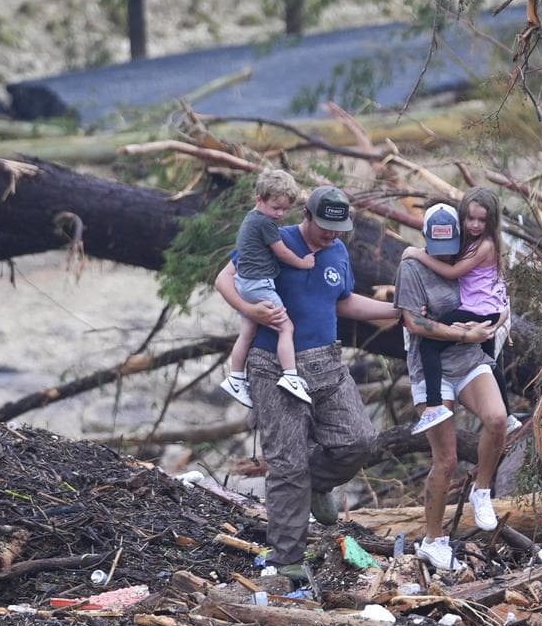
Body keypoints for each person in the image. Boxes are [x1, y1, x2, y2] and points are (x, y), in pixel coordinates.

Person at [214, 185, 398, 575]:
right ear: (307, 216)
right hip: (272, 364)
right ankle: (287, 561)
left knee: (360, 440)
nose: (332, 234)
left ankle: (315, 483)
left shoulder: (338, 251)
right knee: (286, 465)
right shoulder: (272, 237)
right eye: (325, 226)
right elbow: (224, 280)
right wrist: (252, 311)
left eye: (339, 228)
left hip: (326, 363)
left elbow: (343, 300)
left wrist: (394, 309)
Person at [394, 203, 509, 571]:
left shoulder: (469, 254)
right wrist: (462, 332)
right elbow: (413, 322)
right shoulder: (412, 267)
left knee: (497, 419)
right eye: (436, 246)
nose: (444, 253)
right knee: (446, 458)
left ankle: (482, 490)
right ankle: (433, 540)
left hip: (469, 358)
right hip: (432, 369)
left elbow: (493, 291)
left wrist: (497, 317)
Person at [401, 188, 517, 435]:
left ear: (492, 221)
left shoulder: (484, 246)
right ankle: (508, 417)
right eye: (470, 218)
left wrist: (417, 253)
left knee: (428, 345)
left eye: (482, 220)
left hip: (479, 311)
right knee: (490, 362)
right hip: (488, 310)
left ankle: (433, 406)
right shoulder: (475, 243)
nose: (475, 225)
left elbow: (452, 272)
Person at [220, 169, 315, 407]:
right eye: (275, 208)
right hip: (258, 284)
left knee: (248, 330)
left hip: (244, 282)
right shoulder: (265, 224)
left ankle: (235, 376)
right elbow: (281, 252)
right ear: (258, 199)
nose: (280, 214)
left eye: (284, 209)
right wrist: (303, 263)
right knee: (286, 327)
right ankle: (290, 375)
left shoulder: (252, 219)